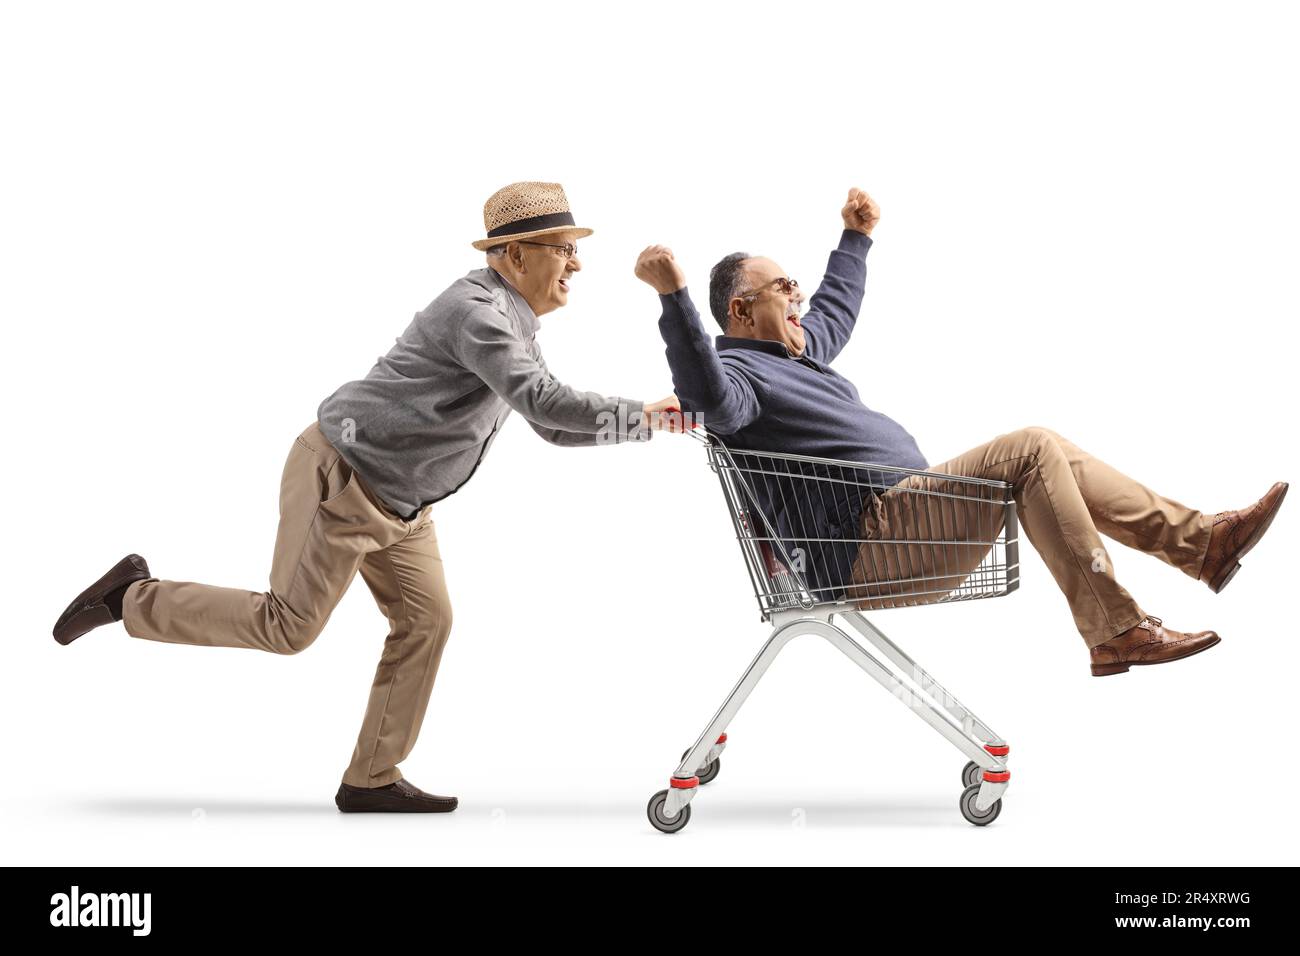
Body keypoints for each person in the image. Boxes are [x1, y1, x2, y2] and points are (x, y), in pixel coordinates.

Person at [52, 181, 680, 810]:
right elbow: (547, 404)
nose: (576, 263)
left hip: (403, 502)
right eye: (564, 248)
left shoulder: (513, 321)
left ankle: (371, 779)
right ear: (515, 255)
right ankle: (131, 597)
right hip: (345, 477)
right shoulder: (479, 313)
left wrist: (646, 426)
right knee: (287, 627)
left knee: (426, 621)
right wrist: (649, 414)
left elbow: (548, 426)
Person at [635, 186, 1287, 676]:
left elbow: (834, 308)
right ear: (741, 311)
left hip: (906, 520)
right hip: (869, 543)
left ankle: (1201, 546)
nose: (800, 298)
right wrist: (674, 299)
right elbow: (709, 399)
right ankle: (1120, 623)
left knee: (1046, 451)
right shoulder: (739, 372)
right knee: (1031, 446)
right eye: (784, 290)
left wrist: (855, 237)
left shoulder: (794, 354)